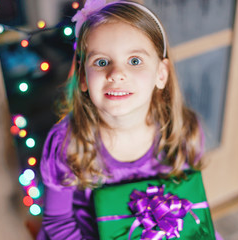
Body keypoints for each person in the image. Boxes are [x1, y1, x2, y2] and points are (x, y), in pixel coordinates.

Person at [36, 0, 208, 239]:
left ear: (161, 74)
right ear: (83, 77)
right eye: (101, 62)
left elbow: (187, 201)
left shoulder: (184, 131)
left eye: (135, 61)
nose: (116, 74)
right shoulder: (66, 142)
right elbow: (59, 222)